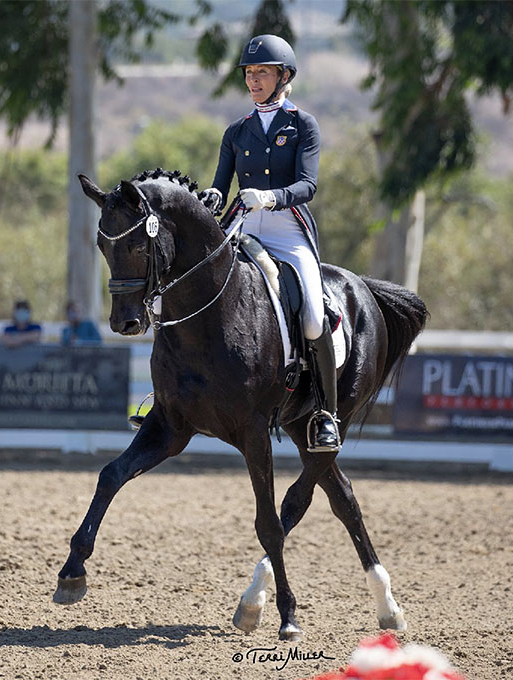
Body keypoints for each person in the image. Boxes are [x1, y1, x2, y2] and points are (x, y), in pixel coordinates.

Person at [202, 34, 340, 453]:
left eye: (262, 72)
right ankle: (167, 395)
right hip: (245, 227)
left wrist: (271, 197)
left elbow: (308, 185)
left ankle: (324, 414)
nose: (254, 79)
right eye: (249, 72)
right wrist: (210, 197)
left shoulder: (302, 125)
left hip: (287, 230)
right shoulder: (236, 131)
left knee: (314, 317)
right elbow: (219, 186)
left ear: (284, 76)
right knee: (190, 284)